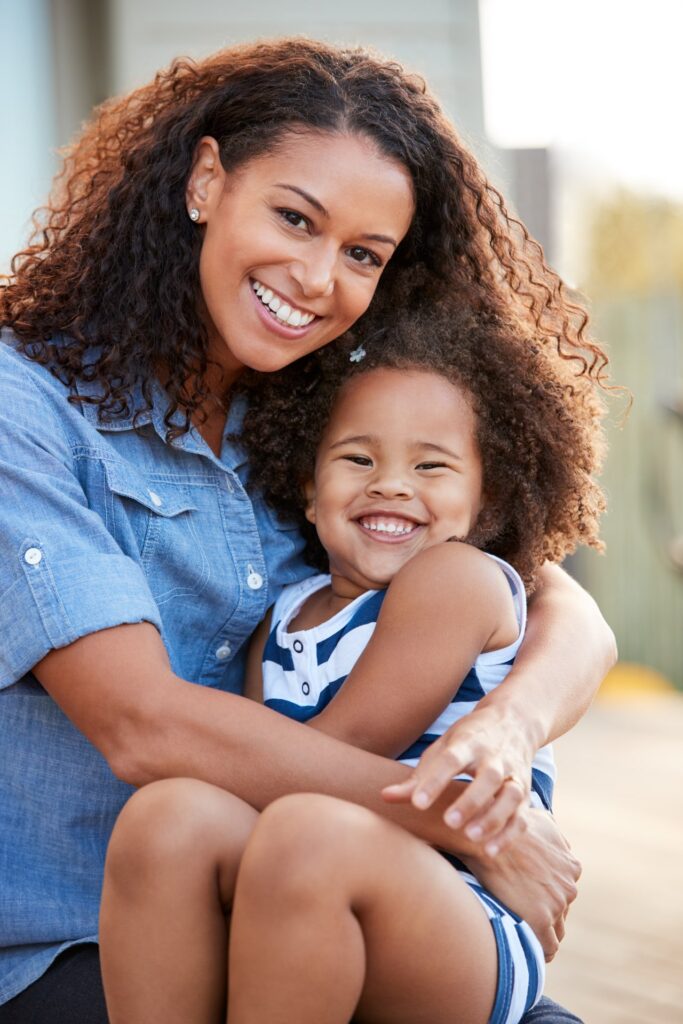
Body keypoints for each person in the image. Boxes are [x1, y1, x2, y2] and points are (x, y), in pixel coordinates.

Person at [0, 37, 613, 1024]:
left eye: (362, 254)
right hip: (85, 938)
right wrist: (457, 819)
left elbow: (554, 604)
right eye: (294, 217)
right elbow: (142, 724)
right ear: (206, 182)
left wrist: (505, 734)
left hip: (335, 897)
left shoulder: (321, 425)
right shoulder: (23, 411)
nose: (317, 276)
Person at [98, 306, 605, 1023]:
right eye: (357, 459)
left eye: (430, 465)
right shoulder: (281, 617)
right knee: (166, 818)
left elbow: (348, 749)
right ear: (308, 488)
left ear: (485, 500)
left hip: (465, 914)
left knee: (307, 829)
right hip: (307, 875)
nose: (391, 485)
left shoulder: (455, 580)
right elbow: (250, 785)